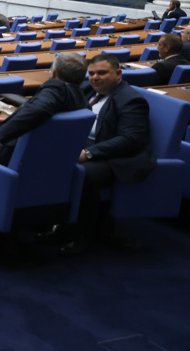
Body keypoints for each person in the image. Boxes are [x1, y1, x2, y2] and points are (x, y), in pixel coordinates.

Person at [50, 53, 154, 255]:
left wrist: (89, 152)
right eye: (91, 73)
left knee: (83, 173)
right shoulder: (88, 89)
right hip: (86, 144)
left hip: (116, 156)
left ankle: (83, 234)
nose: (95, 77)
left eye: (102, 73)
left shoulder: (131, 100)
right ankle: (56, 222)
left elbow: (131, 140)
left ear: (118, 73)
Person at [0, 52, 89, 166]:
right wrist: (15, 120)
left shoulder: (56, 88)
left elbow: (40, 109)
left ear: (53, 73)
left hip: (12, 160)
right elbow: (50, 123)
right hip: (47, 164)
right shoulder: (83, 103)